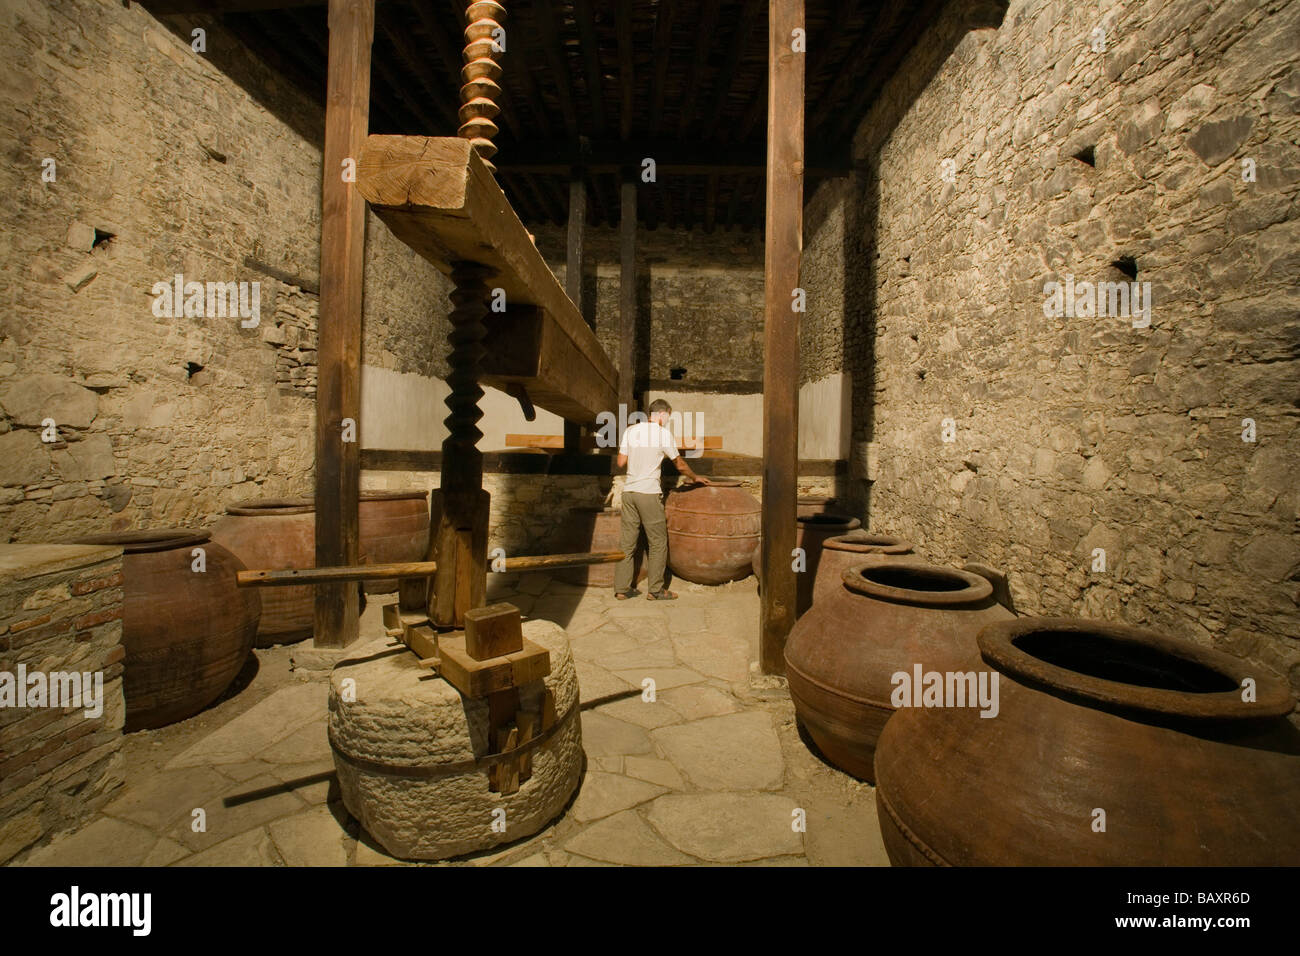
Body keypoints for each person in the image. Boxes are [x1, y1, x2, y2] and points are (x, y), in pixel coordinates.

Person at [614, 399, 710, 600]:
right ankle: (656, 590)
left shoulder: (630, 431)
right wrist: (695, 477)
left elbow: (621, 462)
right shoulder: (663, 434)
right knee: (658, 542)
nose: (667, 420)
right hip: (648, 492)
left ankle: (622, 589)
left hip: (629, 492)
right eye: (668, 416)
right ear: (662, 414)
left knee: (627, 542)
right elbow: (679, 464)